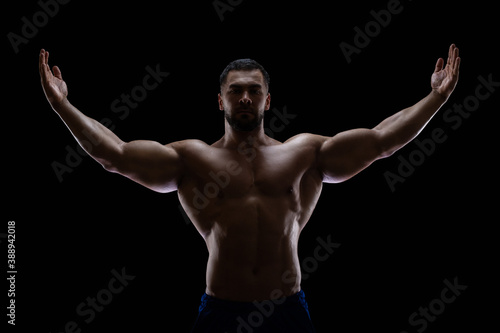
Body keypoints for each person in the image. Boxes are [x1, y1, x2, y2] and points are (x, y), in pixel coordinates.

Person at [39, 45, 460, 332]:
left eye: (253, 90)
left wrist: (435, 99)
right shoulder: (192, 158)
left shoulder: (304, 153)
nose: (244, 97)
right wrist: (62, 105)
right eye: (235, 90)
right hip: (220, 310)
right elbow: (115, 155)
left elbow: (381, 140)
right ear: (219, 101)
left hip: (288, 309)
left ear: (268, 101)